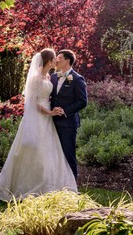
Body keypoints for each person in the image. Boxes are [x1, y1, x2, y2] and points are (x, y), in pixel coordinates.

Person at [0, 49, 77, 201]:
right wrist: (49, 113)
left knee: (50, 151)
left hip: (48, 118)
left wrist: (53, 111)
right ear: (48, 61)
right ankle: (27, 185)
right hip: (38, 116)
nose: (56, 60)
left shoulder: (49, 76)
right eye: (55, 58)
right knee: (33, 149)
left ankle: (50, 185)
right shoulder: (36, 78)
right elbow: (32, 103)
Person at [50, 49, 88, 178]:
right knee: (53, 154)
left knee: (68, 153)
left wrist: (65, 111)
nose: (56, 60)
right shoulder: (53, 77)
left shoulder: (77, 79)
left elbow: (83, 101)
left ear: (67, 60)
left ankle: (72, 186)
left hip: (68, 124)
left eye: (59, 57)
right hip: (51, 122)